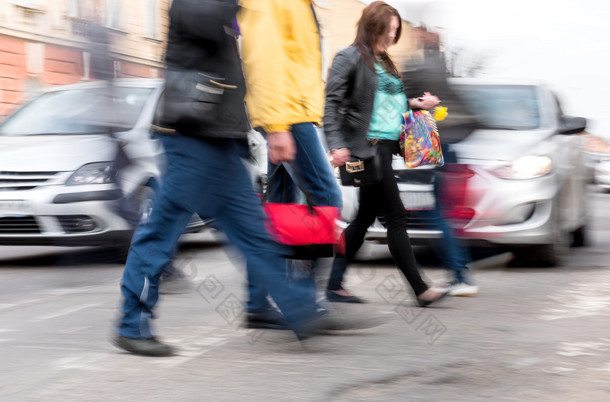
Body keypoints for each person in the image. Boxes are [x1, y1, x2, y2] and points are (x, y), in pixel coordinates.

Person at [112, 0, 346, 357]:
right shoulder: (194, 4)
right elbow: (208, 18)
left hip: (218, 138)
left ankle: (301, 310)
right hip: (189, 137)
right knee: (163, 228)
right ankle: (131, 324)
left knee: (254, 230)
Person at [323, 1, 447, 307]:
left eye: (396, 30)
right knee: (395, 216)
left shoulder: (385, 62)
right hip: (368, 148)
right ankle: (420, 289)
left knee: (364, 218)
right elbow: (332, 103)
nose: (393, 35)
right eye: (389, 29)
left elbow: (388, 102)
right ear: (373, 26)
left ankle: (333, 285)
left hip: (388, 147)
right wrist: (336, 143)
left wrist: (417, 103)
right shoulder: (349, 57)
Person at [238, 0, 343, 328]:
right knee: (327, 198)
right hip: (288, 116)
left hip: (294, 114)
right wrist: (277, 125)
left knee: (278, 212)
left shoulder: (302, 5)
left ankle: (258, 302)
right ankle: (302, 303)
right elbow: (261, 57)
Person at [402, 27, 479, 296]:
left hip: (433, 144)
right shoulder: (433, 64)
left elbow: (410, 100)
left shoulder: (422, 68)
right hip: (441, 143)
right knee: (438, 212)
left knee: (434, 212)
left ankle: (460, 275)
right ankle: (460, 273)